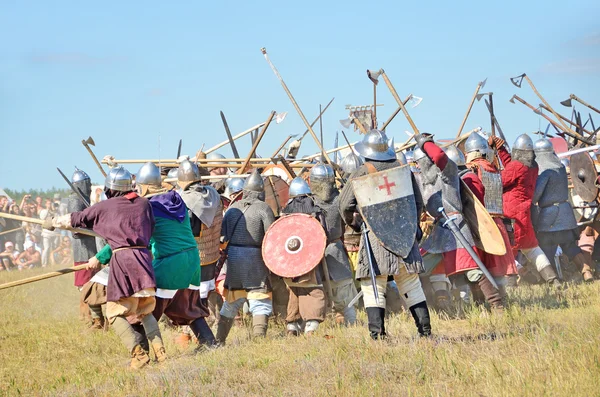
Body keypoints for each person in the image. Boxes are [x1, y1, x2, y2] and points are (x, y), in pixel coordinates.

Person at [43, 166, 165, 369]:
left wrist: (53, 222)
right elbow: (150, 227)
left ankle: (139, 356)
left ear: (110, 188)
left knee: (114, 313)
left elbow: (76, 219)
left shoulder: (106, 206)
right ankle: (161, 354)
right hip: (144, 258)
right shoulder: (144, 204)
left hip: (123, 261)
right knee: (145, 310)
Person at [340, 129, 431, 339]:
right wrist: (411, 226)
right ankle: (425, 333)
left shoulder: (361, 172)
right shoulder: (402, 168)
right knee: (410, 282)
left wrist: (353, 223)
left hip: (375, 237)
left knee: (374, 286)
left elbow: (345, 205)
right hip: (405, 235)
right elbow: (418, 203)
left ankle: (378, 336)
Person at [414, 135, 504, 310]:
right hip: (440, 229)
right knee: (419, 267)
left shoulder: (447, 173)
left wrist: (426, 143)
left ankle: (496, 304)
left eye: (418, 162)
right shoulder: (423, 182)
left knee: (472, 270)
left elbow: (440, 157)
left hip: (456, 226)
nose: (417, 166)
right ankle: (431, 307)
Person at [215, 169, 275, 344]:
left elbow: (223, 236)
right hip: (255, 258)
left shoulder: (233, 209)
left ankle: (219, 340)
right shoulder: (263, 208)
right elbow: (272, 237)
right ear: (260, 192)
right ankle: (258, 341)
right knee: (259, 299)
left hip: (234, 257)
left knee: (232, 301)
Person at [494, 134, 561, 286]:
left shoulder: (517, 166)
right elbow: (512, 165)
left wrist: (491, 168)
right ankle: (552, 279)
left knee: (507, 251)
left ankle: (510, 287)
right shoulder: (533, 166)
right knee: (532, 249)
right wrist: (500, 149)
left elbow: (500, 180)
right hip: (524, 214)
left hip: (511, 215)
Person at [461, 133, 518, 300]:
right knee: (496, 266)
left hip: (481, 223)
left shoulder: (472, 169)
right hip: (497, 222)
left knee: (481, 265)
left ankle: (487, 301)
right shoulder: (494, 169)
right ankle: (502, 297)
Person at [531, 138, 594, 282]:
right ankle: (587, 272)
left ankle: (552, 280)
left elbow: (536, 194)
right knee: (571, 247)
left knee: (546, 247)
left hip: (549, 216)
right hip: (565, 212)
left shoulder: (545, 171)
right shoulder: (559, 167)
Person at [177, 160, 222, 336]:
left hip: (194, 256)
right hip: (212, 254)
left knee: (193, 299)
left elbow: (189, 229)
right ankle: (203, 331)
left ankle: (196, 335)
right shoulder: (213, 194)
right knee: (203, 295)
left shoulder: (185, 200)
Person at [309, 163, 357, 326]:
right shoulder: (339, 200)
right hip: (333, 250)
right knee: (343, 290)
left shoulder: (309, 202)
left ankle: (347, 322)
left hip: (317, 252)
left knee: (322, 291)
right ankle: (351, 323)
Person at [281, 177, 328, 336]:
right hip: (309, 258)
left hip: (291, 261)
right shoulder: (315, 208)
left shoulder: (285, 211)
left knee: (294, 291)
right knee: (313, 290)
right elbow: (322, 234)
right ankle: (311, 326)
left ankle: (292, 325)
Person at [68, 168, 100, 322]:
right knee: (85, 286)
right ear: (81, 184)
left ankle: (95, 319)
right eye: (87, 183)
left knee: (92, 284)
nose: (90, 185)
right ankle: (87, 318)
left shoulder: (83, 199)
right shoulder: (76, 200)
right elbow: (75, 229)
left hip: (90, 249)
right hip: (83, 250)